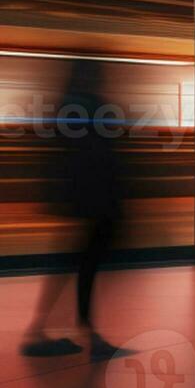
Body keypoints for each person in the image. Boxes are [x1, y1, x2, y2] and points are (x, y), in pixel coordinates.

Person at [20, 61, 127, 358]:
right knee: (84, 263)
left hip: (84, 197)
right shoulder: (85, 105)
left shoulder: (71, 104)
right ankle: (82, 333)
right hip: (95, 198)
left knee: (76, 262)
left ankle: (46, 331)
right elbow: (99, 152)